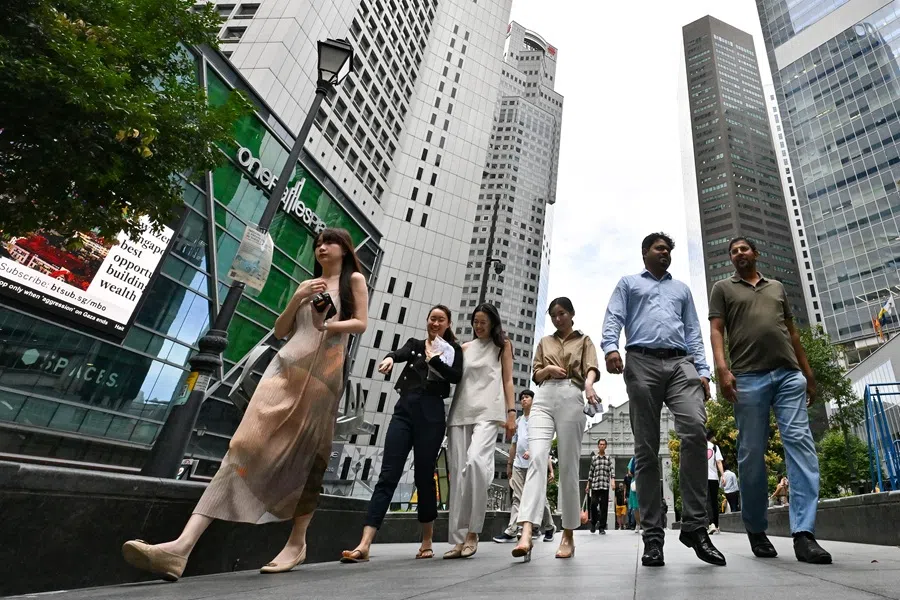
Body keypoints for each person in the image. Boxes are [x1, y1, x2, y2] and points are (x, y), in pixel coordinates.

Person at [121, 228, 369, 580]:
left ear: (344, 249)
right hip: (284, 368)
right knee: (242, 445)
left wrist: (329, 323)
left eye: (329, 242)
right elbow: (281, 330)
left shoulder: (353, 279)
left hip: (321, 380)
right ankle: (180, 548)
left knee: (308, 457)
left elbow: (360, 322)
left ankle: (296, 543)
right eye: (317, 243)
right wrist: (296, 298)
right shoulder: (308, 285)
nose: (321, 247)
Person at [602, 232, 725, 568]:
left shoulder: (681, 290)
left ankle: (696, 526)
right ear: (645, 253)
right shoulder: (629, 283)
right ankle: (653, 538)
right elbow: (614, 316)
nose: (666, 253)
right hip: (640, 361)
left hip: (681, 364)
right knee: (645, 449)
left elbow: (693, 330)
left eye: (669, 250)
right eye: (660, 248)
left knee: (695, 430)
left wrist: (703, 371)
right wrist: (611, 347)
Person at [709, 236, 831, 564]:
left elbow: (791, 332)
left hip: (789, 375)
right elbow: (717, 330)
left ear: (755, 253)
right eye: (733, 251)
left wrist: (807, 373)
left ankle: (804, 534)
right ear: (731, 259)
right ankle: (756, 528)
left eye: (743, 249)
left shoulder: (776, 287)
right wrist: (722, 368)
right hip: (748, 377)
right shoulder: (723, 288)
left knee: (800, 445)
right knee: (750, 454)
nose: (739, 253)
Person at [341, 305, 463, 563]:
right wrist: (389, 358)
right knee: (388, 475)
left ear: (448, 324)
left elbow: (455, 376)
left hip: (431, 414)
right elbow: (401, 353)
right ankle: (364, 544)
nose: (435, 323)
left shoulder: (453, 350)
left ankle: (427, 540)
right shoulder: (416, 344)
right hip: (405, 410)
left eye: (441, 320)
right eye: (432, 318)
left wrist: (435, 360)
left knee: (423, 475)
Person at [511, 297, 600, 561]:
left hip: (572, 395)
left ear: (572, 314)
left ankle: (568, 534)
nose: (557, 318)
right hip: (544, 397)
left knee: (569, 467)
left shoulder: (584, 341)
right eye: (553, 315)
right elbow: (536, 374)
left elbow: (592, 368)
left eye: (562, 313)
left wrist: (589, 385)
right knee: (537, 458)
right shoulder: (544, 342)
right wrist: (547, 368)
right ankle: (526, 530)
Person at [443, 304, 516, 559]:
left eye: (483, 322)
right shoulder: (464, 348)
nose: (478, 326)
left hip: (489, 412)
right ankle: (458, 539)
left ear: (493, 323)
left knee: (475, 463)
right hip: (461, 413)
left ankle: (473, 532)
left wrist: (511, 413)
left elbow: (508, 380)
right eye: (476, 321)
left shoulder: (503, 346)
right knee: (458, 477)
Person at [492, 390, 556, 544]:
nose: (524, 399)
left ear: (534, 400)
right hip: (519, 465)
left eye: (527, 397)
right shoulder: (519, 421)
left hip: (535, 464)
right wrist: (509, 464)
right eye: (522, 398)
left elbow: (544, 445)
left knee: (539, 497)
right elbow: (514, 444)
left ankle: (549, 527)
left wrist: (550, 469)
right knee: (517, 498)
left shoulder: (539, 420)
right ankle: (512, 530)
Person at [585, 438, 615, 534]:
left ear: (606, 446)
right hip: (595, 485)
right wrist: (587, 485)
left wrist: (613, 481)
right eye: (600, 444)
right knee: (593, 504)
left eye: (603, 444)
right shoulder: (594, 458)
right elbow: (590, 473)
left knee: (604, 507)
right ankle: (593, 523)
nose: (602, 446)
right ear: (598, 446)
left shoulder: (608, 458)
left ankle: (602, 527)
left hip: (605, 486)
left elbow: (612, 471)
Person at [706, 430, 725, 534]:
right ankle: (717, 525)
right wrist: (723, 475)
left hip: (703, 478)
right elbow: (718, 462)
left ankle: (711, 523)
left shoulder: (699, 446)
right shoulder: (714, 447)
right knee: (714, 501)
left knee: (707, 500)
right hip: (713, 478)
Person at [627, 456, 641, 532]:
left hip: (643, 482)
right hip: (635, 483)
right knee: (635, 507)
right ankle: (638, 524)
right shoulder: (633, 459)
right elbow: (629, 472)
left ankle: (644, 524)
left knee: (644, 505)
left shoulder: (645, 457)